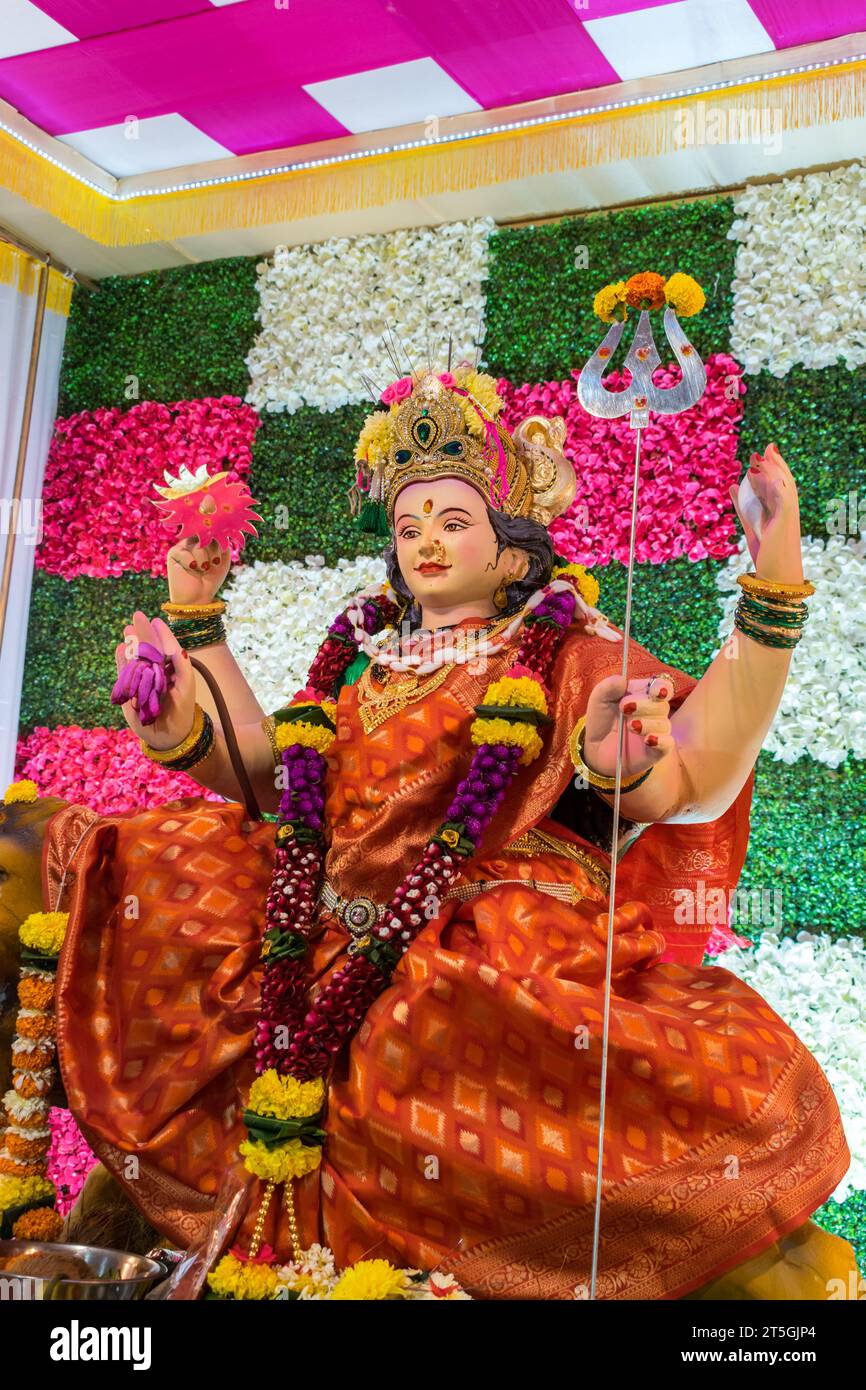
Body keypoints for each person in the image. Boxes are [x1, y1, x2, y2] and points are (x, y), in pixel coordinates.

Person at [55, 363, 854, 1300]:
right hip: (321, 918)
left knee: (427, 1030)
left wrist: (768, 595)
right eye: (408, 526)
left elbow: (693, 777)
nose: (425, 542)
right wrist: (189, 685)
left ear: (511, 547)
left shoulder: (565, 647)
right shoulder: (365, 661)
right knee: (162, 875)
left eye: (452, 521)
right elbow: (280, 785)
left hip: (479, 930)